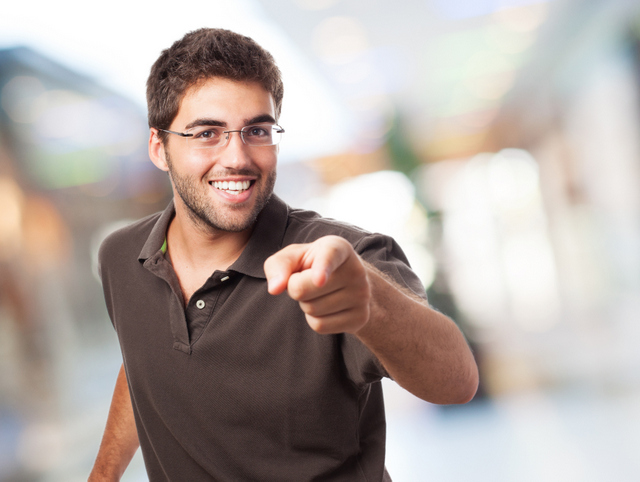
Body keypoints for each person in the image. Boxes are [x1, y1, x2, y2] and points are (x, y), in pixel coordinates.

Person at [89, 28, 478, 481]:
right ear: (160, 148)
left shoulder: (342, 260)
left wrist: (370, 300)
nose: (237, 157)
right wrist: (102, 475)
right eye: (207, 133)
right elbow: (142, 365)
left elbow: (457, 381)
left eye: (257, 130)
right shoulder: (120, 258)